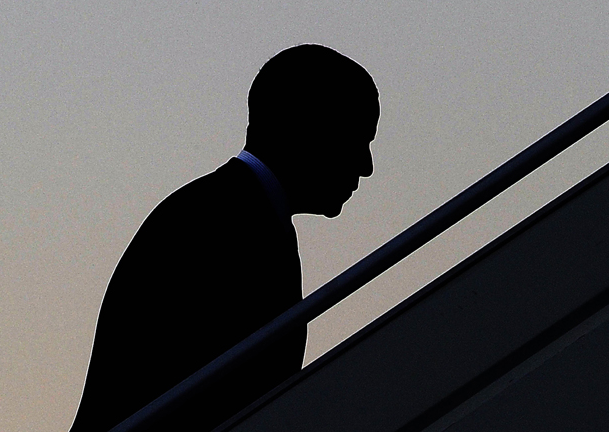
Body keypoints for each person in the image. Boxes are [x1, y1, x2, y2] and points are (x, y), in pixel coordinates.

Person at [70, 44, 380, 431]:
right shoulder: (225, 224)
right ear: (307, 127)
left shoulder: (222, 212)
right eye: (356, 138)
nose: (366, 166)